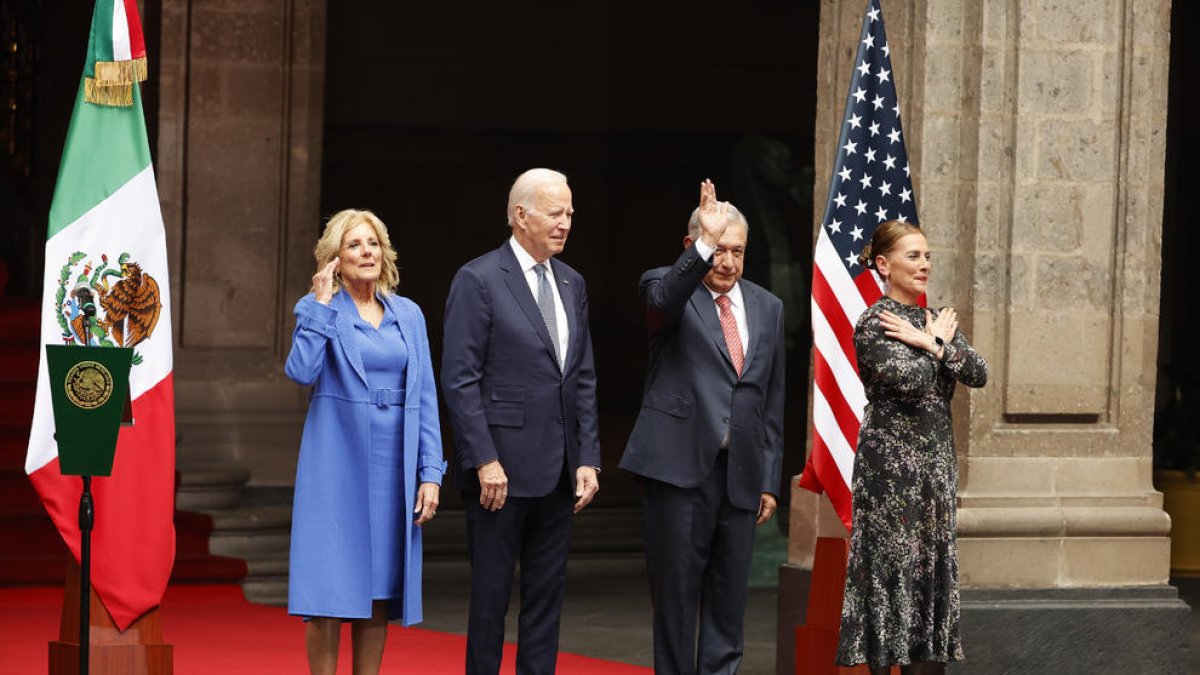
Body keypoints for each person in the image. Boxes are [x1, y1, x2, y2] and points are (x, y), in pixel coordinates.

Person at [620, 179, 786, 675]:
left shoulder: (767, 307)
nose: (728, 261)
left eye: (737, 251)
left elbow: (770, 397)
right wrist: (704, 246)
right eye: (719, 249)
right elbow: (663, 301)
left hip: (739, 475)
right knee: (674, 600)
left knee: (729, 601)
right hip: (677, 472)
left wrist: (769, 479)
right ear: (692, 246)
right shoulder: (665, 287)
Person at [441, 168, 602, 675]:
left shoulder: (572, 282)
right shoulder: (479, 278)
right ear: (520, 215)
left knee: (545, 605)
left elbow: (583, 377)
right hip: (499, 475)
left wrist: (589, 459)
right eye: (556, 213)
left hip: (558, 474)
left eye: (570, 213)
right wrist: (484, 459)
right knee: (490, 602)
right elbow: (459, 379)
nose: (565, 223)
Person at [284, 209, 446, 675]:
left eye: (372, 243)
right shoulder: (318, 308)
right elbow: (300, 372)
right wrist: (318, 304)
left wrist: (430, 472)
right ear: (335, 258)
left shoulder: (408, 314)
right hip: (335, 461)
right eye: (354, 245)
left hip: (393, 463)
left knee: (380, 587)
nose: (366, 252)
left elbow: (427, 397)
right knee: (329, 588)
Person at [834, 220, 989, 675]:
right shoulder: (874, 322)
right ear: (883, 264)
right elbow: (911, 380)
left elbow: (978, 372)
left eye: (926, 256)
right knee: (891, 572)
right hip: (890, 474)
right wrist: (937, 346)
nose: (924, 265)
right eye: (913, 256)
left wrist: (930, 340)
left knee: (930, 574)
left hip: (935, 468)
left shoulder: (934, 320)